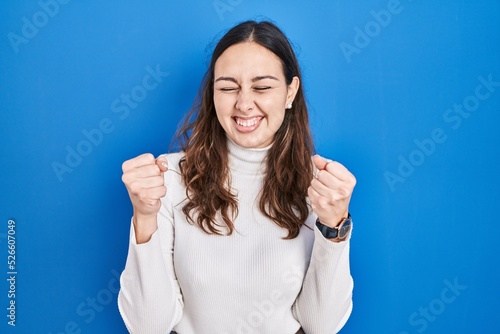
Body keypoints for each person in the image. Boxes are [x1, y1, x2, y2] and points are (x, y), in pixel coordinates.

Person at [118, 20, 356, 334]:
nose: (243, 104)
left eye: (262, 87)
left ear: (290, 92)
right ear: (212, 94)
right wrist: (144, 216)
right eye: (228, 87)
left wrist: (334, 225)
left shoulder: (321, 188)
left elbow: (321, 326)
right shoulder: (168, 179)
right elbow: (148, 326)